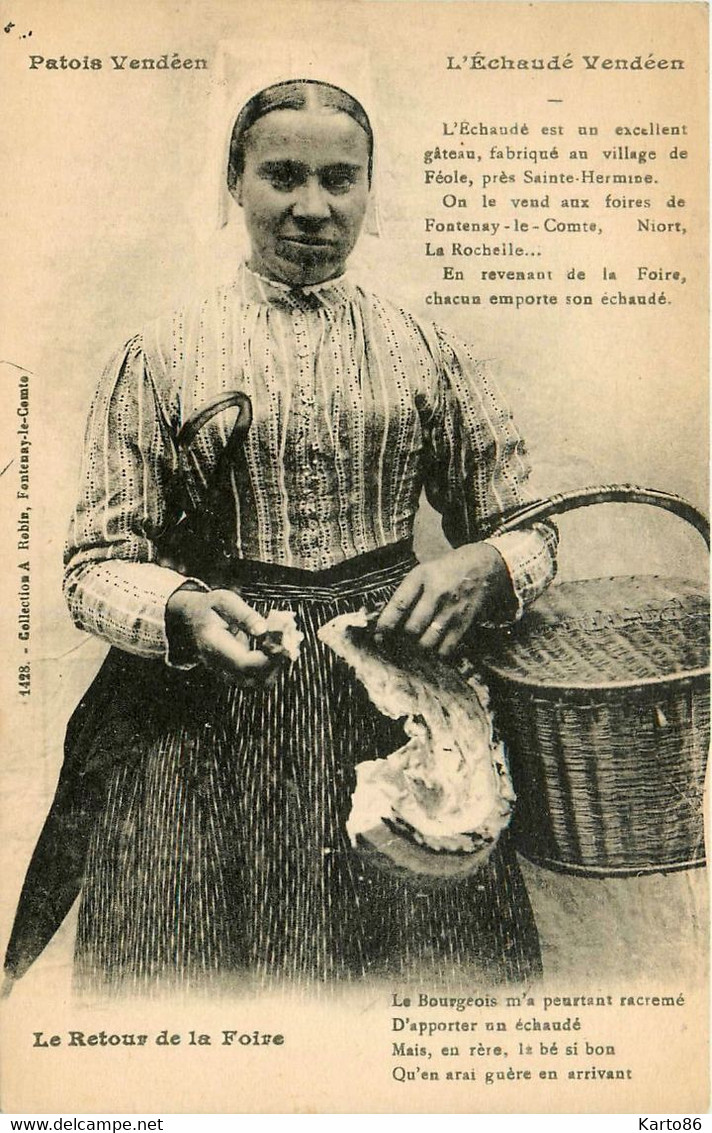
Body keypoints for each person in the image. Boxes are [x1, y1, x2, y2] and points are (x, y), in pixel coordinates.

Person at [60, 79, 557, 993]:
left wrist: (488, 562)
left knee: (415, 971)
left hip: (392, 694)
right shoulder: (162, 352)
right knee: (212, 970)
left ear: (371, 190)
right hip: (217, 706)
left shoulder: (423, 346)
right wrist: (179, 608)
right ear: (234, 183)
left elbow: (529, 528)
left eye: (342, 179)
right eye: (283, 175)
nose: (313, 208)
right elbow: (95, 561)